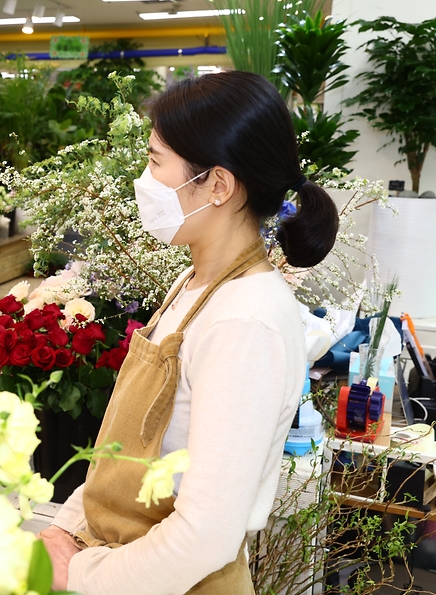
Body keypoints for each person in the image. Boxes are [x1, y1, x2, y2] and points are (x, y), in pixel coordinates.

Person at [39, 71, 339, 594]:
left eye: (156, 163)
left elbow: (205, 534)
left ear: (218, 185)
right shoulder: (195, 281)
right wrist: (68, 528)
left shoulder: (248, 319)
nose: (144, 180)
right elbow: (128, 452)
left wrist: (78, 574)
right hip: (125, 562)